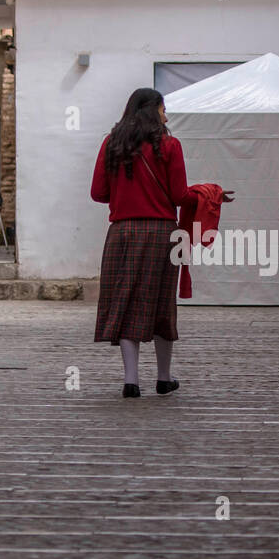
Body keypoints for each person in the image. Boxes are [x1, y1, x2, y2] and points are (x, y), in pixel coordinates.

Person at [91, 88, 194, 398]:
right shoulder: (170, 146)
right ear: (154, 110)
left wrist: (125, 193)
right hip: (163, 233)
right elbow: (179, 195)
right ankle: (164, 377)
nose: (166, 115)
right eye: (164, 109)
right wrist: (207, 193)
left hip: (123, 233)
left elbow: (98, 192)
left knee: (125, 301)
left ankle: (131, 380)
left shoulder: (112, 144)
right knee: (162, 303)